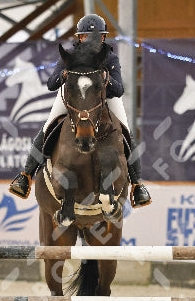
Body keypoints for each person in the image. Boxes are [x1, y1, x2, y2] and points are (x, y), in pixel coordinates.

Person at [8, 14, 152, 208]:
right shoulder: (70, 55)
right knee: (48, 126)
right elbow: (51, 84)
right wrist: (63, 75)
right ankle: (25, 175)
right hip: (74, 98)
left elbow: (119, 90)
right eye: (86, 36)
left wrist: (107, 78)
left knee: (126, 131)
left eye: (96, 36)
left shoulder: (110, 57)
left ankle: (137, 185)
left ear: (103, 37)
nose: (91, 40)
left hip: (104, 99)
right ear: (80, 37)